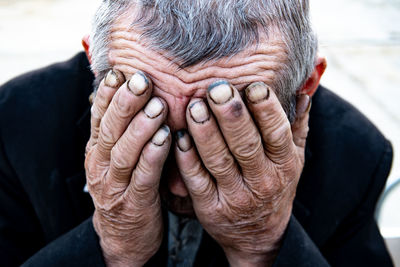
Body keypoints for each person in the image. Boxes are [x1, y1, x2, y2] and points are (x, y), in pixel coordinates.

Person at [0, 0, 394, 266]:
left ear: (305, 85)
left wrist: (262, 246)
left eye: (225, 138)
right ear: (94, 63)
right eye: (155, 132)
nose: (181, 186)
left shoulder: (354, 155)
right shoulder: (18, 125)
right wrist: (112, 246)